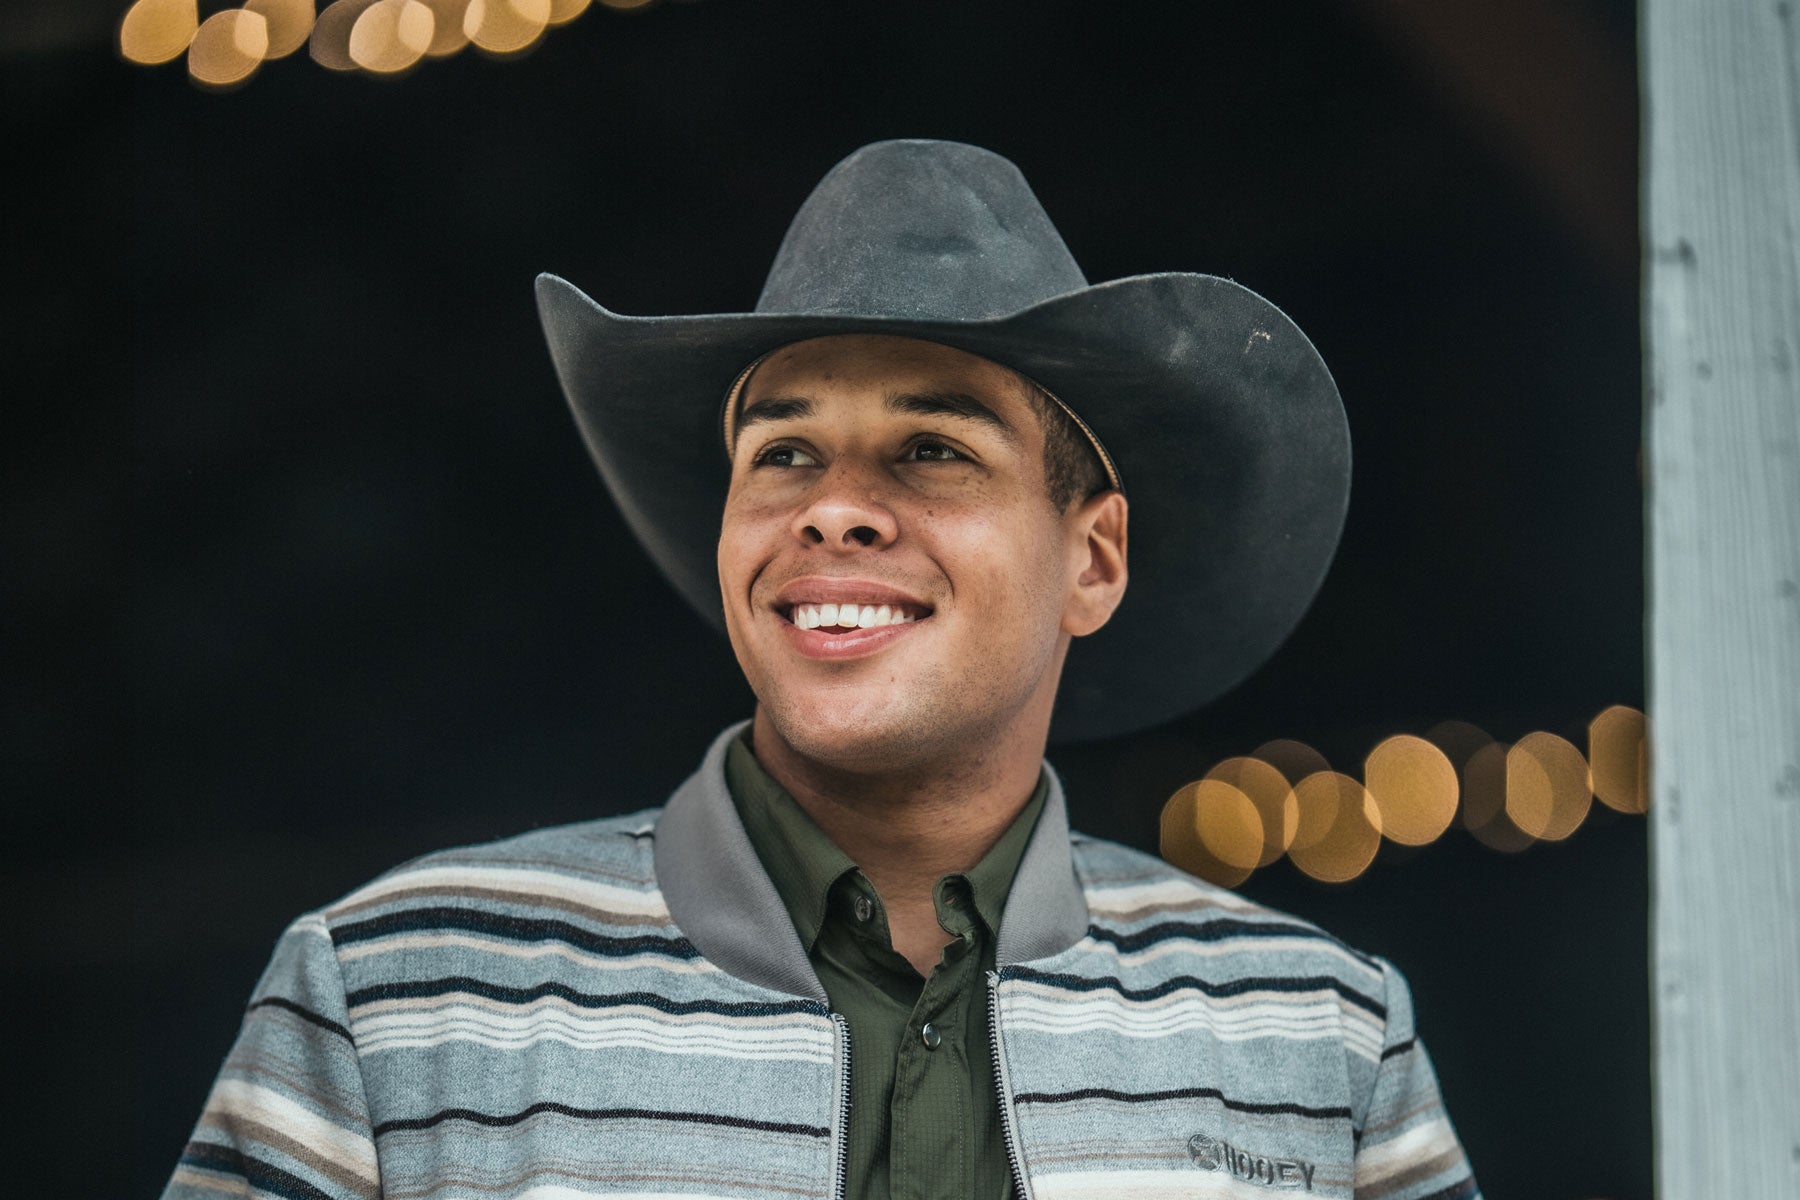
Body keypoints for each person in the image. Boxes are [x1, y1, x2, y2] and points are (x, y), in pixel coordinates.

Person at [163, 140, 1478, 1200]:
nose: (834, 510)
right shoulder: (396, 1001)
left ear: (1093, 559)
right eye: (785, 454)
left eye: (933, 450)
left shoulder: (1321, 1039)